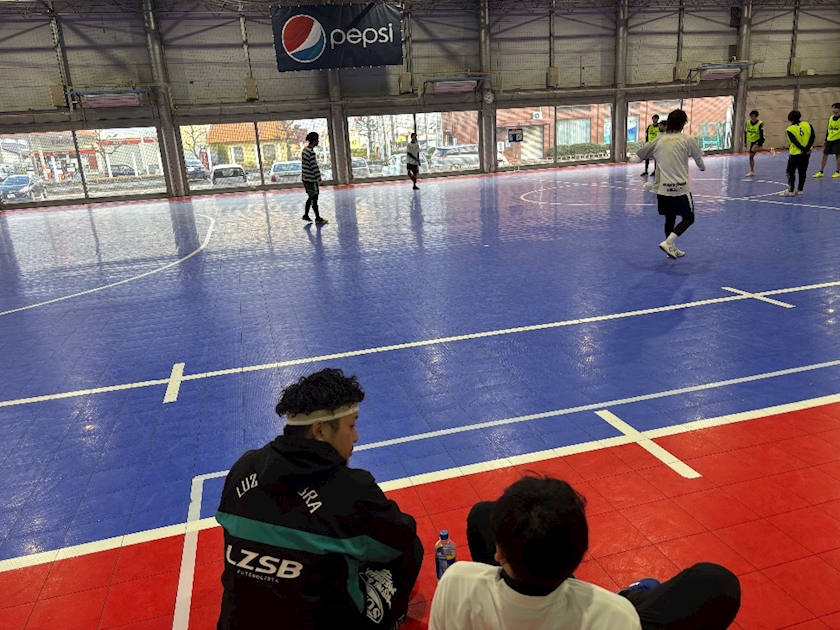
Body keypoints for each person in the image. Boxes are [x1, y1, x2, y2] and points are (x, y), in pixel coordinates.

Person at [216, 368, 423, 630]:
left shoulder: (244, 467)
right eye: (351, 426)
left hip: (235, 623)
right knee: (409, 548)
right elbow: (401, 536)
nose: (356, 437)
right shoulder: (350, 488)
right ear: (320, 430)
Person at [430, 476, 741, 630]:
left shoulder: (457, 582)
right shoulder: (615, 616)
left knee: (482, 513)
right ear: (576, 556)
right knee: (718, 583)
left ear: (498, 552)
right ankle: (631, 594)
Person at [636, 109, 705, 260]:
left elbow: (640, 155)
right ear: (683, 123)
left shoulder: (659, 140)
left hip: (662, 189)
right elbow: (699, 159)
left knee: (670, 217)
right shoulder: (687, 139)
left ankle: (671, 249)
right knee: (689, 218)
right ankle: (668, 242)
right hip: (680, 188)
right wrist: (702, 167)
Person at [780, 110, 815, 196]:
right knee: (802, 171)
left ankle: (791, 190)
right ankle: (800, 189)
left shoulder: (789, 130)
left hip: (795, 154)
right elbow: (812, 137)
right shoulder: (808, 125)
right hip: (806, 154)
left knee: (790, 171)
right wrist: (807, 149)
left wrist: (803, 149)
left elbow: (795, 142)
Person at [301, 131, 328, 224]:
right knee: (314, 198)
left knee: (311, 197)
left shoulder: (305, 150)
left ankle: (306, 215)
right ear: (314, 141)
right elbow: (314, 167)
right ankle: (317, 218)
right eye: (317, 140)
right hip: (311, 180)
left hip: (305, 179)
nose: (318, 141)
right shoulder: (311, 153)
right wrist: (319, 180)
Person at [744, 110, 776, 176]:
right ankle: (752, 171)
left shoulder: (760, 124)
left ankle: (770, 150)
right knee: (751, 157)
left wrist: (760, 142)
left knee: (754, 149)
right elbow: (745, 132)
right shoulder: (748, 123)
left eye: (754, 116)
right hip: (752, 140)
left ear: (756, 117)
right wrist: (745, 141)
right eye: (752, 116)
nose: (753, 118)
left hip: (759, 139)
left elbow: (762, 134)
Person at [813, 102, 840, 179]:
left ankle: (837, 171)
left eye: (835, 108)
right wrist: (826, 139)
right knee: (824, 155)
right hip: (829, 139)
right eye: (833, 108)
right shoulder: (831, 118)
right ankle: (821, 171)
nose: (833, 110)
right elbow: (828, 129)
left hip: (838, 140)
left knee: (838, 155)